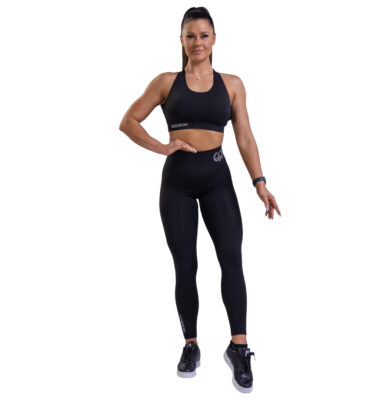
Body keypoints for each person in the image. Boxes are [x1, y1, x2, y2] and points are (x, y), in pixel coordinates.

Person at [119, 6, 281, 393]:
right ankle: (190, 344)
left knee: (231, 257)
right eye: (190, 35)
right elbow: (128, 121)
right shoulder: (165, 82)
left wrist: (259, 182)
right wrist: (163, 147)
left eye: (204, 35)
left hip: (217, 180)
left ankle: (238, 347)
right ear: (181, 40)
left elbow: (245, 137)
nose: (197, 42)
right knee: (186, 264)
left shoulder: (232, 84)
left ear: (214, 39)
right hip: (177, 183)